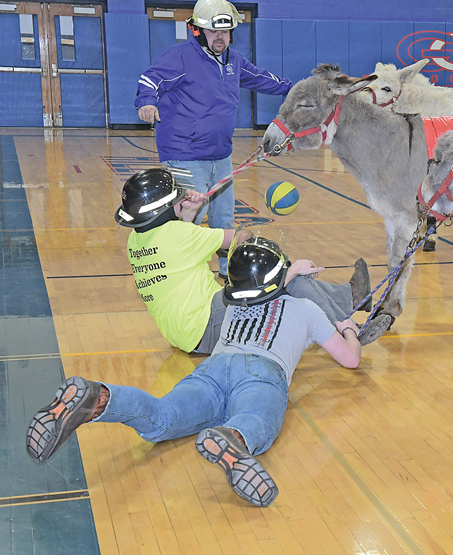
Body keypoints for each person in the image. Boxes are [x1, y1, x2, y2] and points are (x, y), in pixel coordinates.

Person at [26, 235, 362, 507]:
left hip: (214, 368)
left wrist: (289, 273)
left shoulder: (233, 303)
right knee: (257, 418)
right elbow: (350, 359)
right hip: (263, 373)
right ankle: (233, 438)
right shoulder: (308, 309)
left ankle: (100, 399)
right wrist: (347, 329)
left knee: (163, 417)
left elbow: (263, 288)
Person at [116, 167, 391, 354]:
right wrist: (282, 268)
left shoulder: (136, 240)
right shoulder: (182, 236)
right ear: (165, 210)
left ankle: (351, 297)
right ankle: (345, 327)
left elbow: (180, 245)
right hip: (209, 327)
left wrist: (188, 212)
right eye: (177, 200)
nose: (182, 200)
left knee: (281, 278)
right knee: (279, 269)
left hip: (186, 334)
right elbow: (241, 237)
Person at [135, 0, 293, 278]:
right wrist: (147, 101)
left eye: (225, 31)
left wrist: (297, 90)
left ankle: (229, 273)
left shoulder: (234, 60)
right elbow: (151, 79)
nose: (220, 37)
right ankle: (182, 273)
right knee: (189, 220)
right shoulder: (180, 56)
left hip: (220, 156)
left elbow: (262, 78)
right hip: (184, 156)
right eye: (213, 31)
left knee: (224, 220)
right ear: (198, 31)